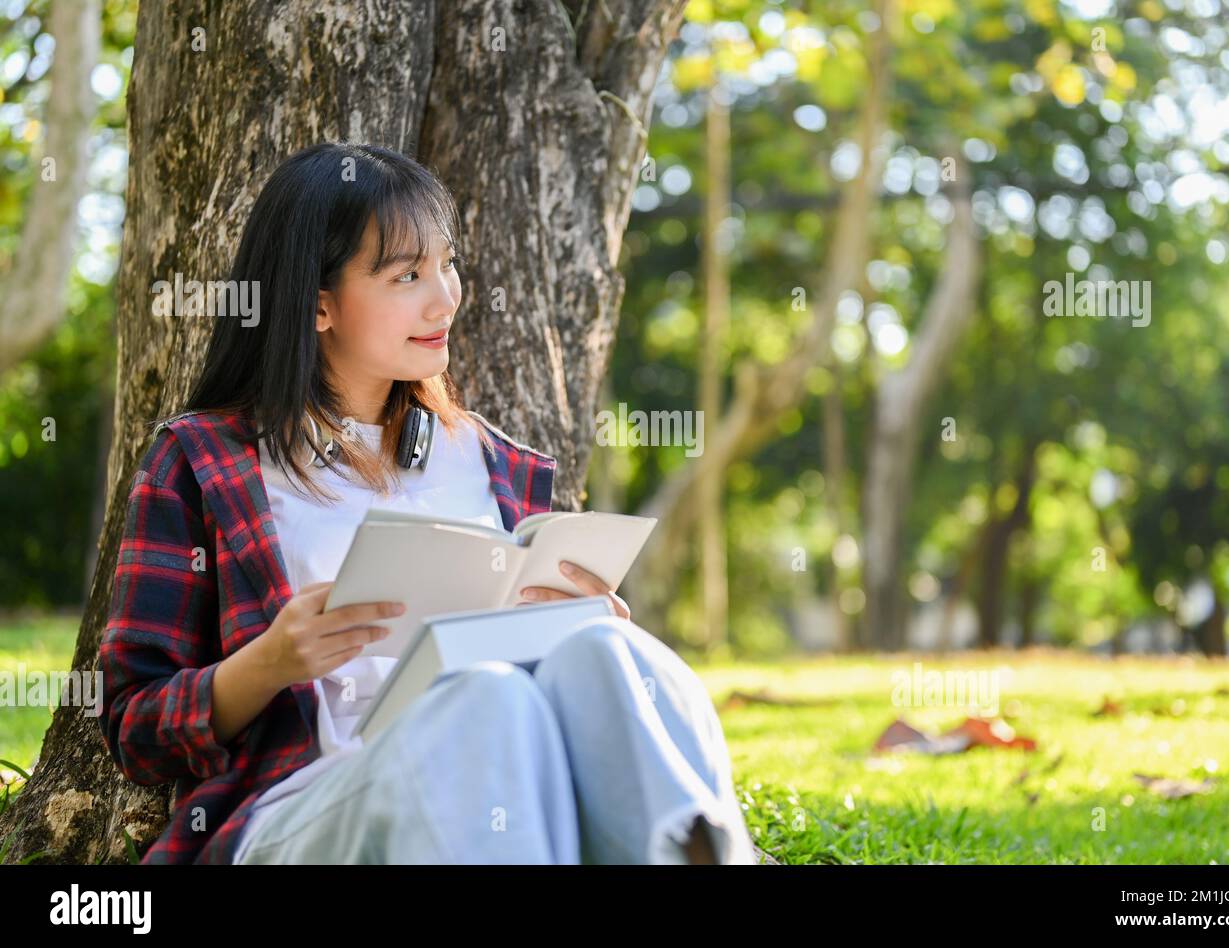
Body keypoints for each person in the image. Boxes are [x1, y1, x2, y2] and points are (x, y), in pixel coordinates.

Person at [96, 142, 757, 865]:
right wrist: (270, 662)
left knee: (607, 648)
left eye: (446, 265)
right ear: (318, 305)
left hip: (515, 803)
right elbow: (133, 726)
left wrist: (577, 621)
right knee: (485, 702)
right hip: (305, 806)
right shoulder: (203, 463)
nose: (445, 298)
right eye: (407, 275)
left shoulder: (500, 464)